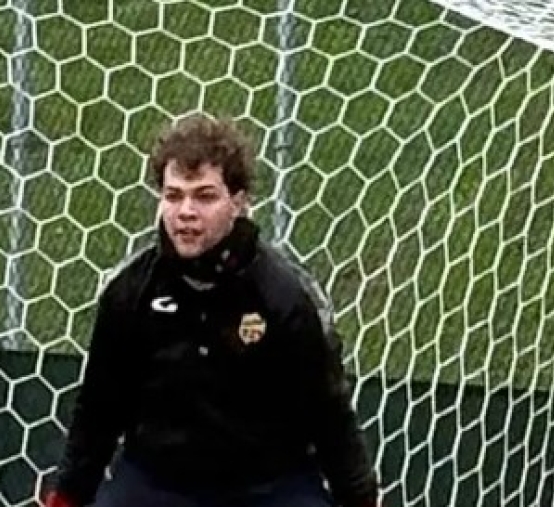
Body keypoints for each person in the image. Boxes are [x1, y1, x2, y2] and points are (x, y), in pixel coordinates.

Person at [40, 113, 380, 507]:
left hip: (270, 484)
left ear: (238, 203)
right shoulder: (131, 291)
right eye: (173, 196)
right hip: (156, 482)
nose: (186, 211)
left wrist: (360, 498)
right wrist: (66, 497)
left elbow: (329, 413)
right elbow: (98, 410)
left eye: (204, 196)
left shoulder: (285, 297)